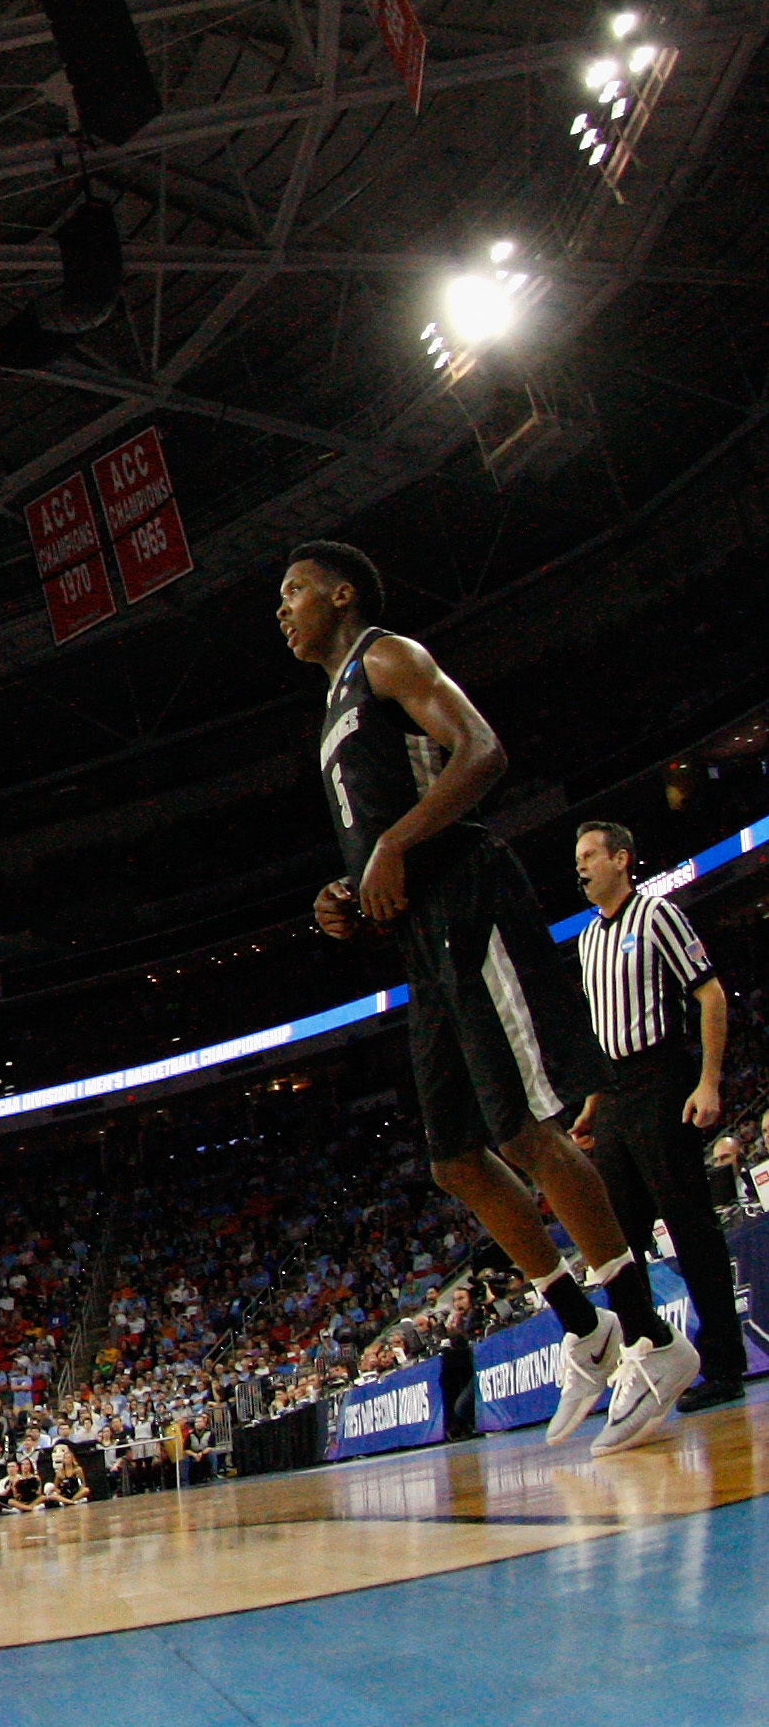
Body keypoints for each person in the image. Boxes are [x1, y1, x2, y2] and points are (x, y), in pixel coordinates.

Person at [282, 546, 689, 1451]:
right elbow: (386, 829)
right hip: (421, 935)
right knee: (455, 1157)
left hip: (471, 897)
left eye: (295, 591)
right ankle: (584, 1327)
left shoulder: (386, 656)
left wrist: (392, 846)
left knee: (527, 1129)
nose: (284, 609)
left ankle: (653, 1337)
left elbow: (484, 752)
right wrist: (348, 893)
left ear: (342, 594)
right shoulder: (331, 705)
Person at [565, 820, 743, 1416]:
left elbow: (710, 994)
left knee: (689, 1226)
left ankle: (722, 1363)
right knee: (618, 1242)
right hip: (613, 1095)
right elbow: (596, 1032)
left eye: (591, 855)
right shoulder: (587, 940)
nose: (582, 866)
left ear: (622, 859)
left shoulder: (658, 914)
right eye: (578, 858)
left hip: (663, 1078)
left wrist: (708, 1081)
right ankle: (649, 1359)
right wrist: (592, 1102)